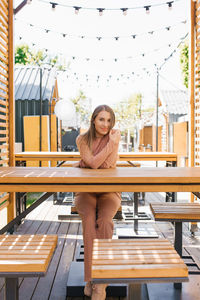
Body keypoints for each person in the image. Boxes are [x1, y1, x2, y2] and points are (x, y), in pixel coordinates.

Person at [74, 104, 121, 300]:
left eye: (109, 120)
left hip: (109, 190)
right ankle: (89, 279)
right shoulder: (82, 139)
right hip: (85, 190)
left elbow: (107, 165)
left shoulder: (114, 137)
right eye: (101, 119)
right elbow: (95, 164)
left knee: (105, 222)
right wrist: (110, 146)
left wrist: (91, 162)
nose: (105, 124)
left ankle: (99, 284)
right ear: (93, 119)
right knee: (89, 224)